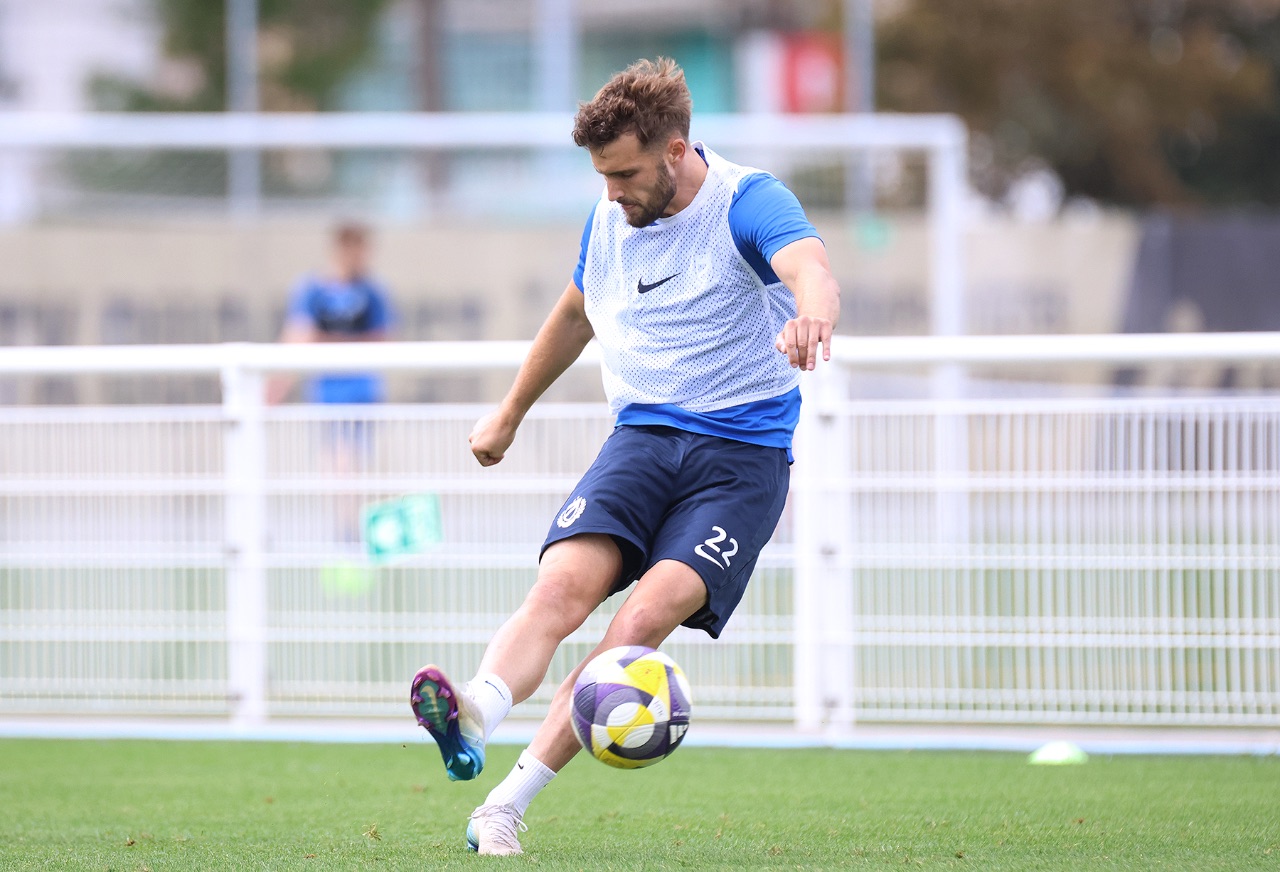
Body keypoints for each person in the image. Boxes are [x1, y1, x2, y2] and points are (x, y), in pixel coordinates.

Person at [410, 57, 841, 856]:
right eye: (602, 175)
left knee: (639, 622)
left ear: (676, 150)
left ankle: (504, 806)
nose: (611, 192)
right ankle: (474, 713)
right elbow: (575, 313)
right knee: (560, 589)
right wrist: (508, 413)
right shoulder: (610, 217)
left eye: (624, 174)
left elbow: (810, 267)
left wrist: (812, 315)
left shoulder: (748, 201)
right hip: (640, 441)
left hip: (739, 459)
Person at [267, 221, 395, 409]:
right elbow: (297, 338)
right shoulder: (312, 290)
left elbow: (382, 339)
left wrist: (325, 340)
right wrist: (276, 387)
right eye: (353, 250)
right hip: (325, 388)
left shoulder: (372, 291)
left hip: (362, 387)